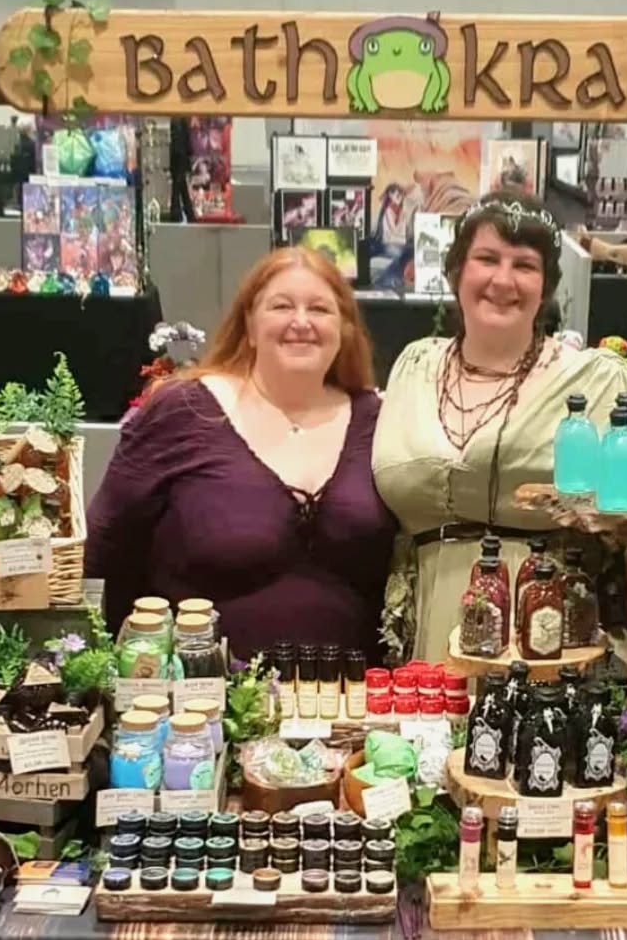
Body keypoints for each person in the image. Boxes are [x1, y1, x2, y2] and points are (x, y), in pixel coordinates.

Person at [372, 192, 627, 662]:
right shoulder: (413, 366)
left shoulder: (597, 381)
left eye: (525, 265)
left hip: (546, 645)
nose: (503, 280)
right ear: (456, 270)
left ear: (547, 286)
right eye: (487, 258)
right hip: (422, 647)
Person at [86, 247, 396, 659]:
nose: (301, 322)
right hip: (202, 712)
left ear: (345, 328)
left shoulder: (383, 423)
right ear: (249, 325)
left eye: (320, 309)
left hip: (352, 709)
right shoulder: (182, 410)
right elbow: (106, 549)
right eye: (281, 306)